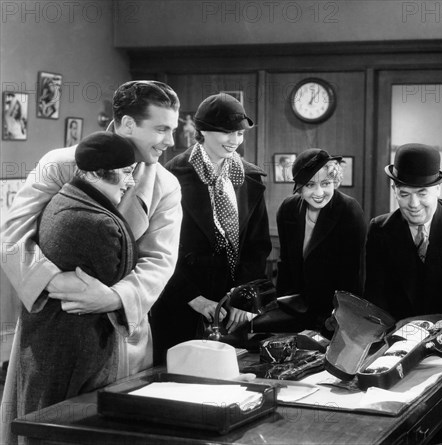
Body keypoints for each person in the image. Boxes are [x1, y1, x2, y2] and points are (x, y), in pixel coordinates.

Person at [0, 80, 182, 383]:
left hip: (121, 337)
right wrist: (55, 281)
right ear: (127, 123)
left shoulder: (165, 185)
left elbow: (160, 258)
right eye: (162, 129)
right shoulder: (59, 164)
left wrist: (112, 298)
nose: (171, 141)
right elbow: (13, 234)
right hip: (53, 327)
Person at [1, 133, 138, 435]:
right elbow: (10, 237)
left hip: (55, 347)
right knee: (67, 430)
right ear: (91, 173)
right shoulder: (94, 221)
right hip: (78, 350)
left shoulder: (68, 200)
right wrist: (50, 279)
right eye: (126, 172)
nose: (131, 181)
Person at [151, 93, 271, 364]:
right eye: (227, 133)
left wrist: (242, 297)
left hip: (231, 312)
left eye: (239, 134)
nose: (235, 141)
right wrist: (193, 298)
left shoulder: (249, 176)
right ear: (202, 131)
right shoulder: (170, 176)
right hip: (181, 304)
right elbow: (157, 249)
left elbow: (258, 245)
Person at [364, 143, 442, 340]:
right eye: (404, 194)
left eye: (422, 193)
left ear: (437, 189)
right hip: (400, 339)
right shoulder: (379, 229)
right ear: (394, 190)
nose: (414, 205)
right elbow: (376, 296)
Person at [276, 148, 367, 334]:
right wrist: (283, 306)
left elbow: (353, 275)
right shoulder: (288, 209)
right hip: (295, 311)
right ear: (300, 187)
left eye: (326, 183)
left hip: (334, 317)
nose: (319, 192)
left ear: (335, 182)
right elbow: (284, 263)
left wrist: (339, 319)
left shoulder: (349, 210)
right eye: (310, 185)